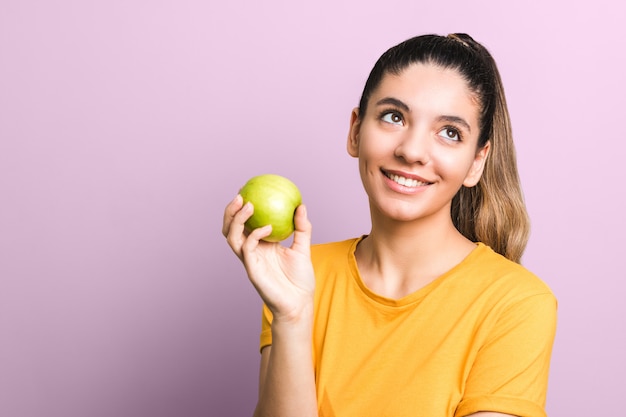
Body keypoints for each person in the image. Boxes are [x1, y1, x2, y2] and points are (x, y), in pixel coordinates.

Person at [223, 33, 557, 417]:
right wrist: (292, 316)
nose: (411, 151)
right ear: (355, 130)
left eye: (450, 133)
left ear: (476, 162)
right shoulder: (301, 279)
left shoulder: (516, 304)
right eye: (393, 116)